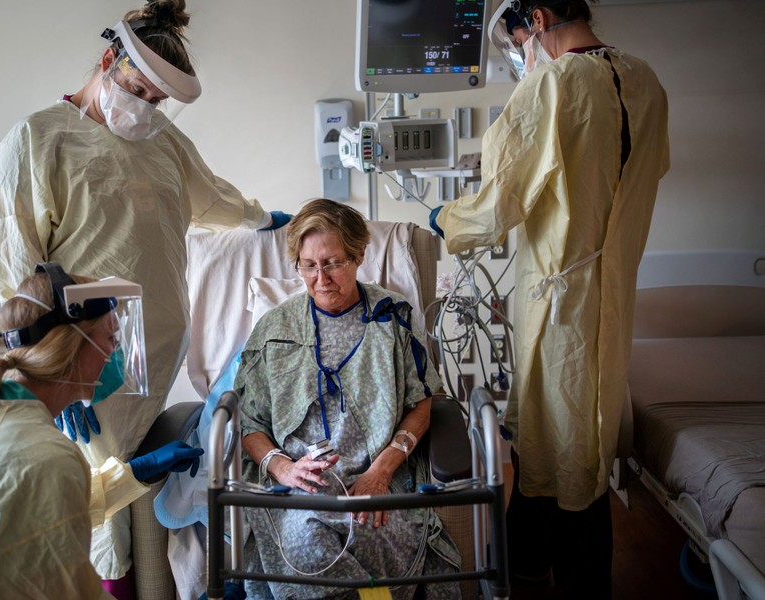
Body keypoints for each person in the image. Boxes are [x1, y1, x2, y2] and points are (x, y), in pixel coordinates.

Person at [0, 0, 290, 587]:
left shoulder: (162, 139)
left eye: (159, 101)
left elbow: (210, 195)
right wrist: (50, 374)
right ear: (109, 59)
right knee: (99, 509)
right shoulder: (38, 140)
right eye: (137, 91)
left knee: (125, 488)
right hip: (83, 361)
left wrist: (258, 217)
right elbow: (18, 274)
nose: (146, 110)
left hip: (154, 357)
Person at [430, 1, 669, 597]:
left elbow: (497, 206)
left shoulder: (553, 84)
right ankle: (527, 559)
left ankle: (580, 581)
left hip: (561, 297)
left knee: (566, 445)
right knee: (554, 430)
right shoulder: (646, 80)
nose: (519, 52)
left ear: (535, 20)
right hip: (612, 290)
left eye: (516, 38)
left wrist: (445, 219)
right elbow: (648, 170)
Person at [0, 264, 203, 599]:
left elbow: (28, 513)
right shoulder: (44, 456)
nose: (117, 353)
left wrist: (133, 474)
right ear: (76, 347)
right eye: (112, 339)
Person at [235, 199, 461, 600]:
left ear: (357, 257)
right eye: (308, 265)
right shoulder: (273, 330)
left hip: (376, 480)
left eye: (333, 263)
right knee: (307, 541)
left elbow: (421, 403)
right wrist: (283, 469)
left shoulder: (391, 317)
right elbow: (250, 426)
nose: (320, 278)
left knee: (370, 535)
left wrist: (381, 471)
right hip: (300, 489)